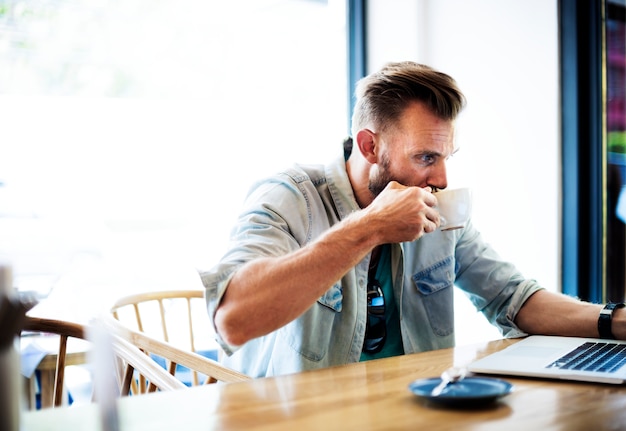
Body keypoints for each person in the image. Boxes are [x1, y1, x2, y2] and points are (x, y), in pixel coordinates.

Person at [199, 61, 626, 378]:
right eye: (426, 157)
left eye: (444, 158)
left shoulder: (436, 204)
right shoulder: (290, 198)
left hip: (419, 409)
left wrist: (614, 320)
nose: (441, 178)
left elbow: (513, 299)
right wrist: (370, 227)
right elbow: (233, 320)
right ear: (369, 146)